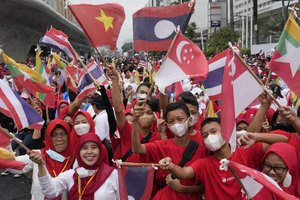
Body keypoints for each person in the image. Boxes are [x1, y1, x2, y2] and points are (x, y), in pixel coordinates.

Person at [158, 117, 288, 199]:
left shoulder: (246, 152)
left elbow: (284, 140)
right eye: (205, 135)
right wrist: (171, 166)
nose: (210, 137)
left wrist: (257, 137)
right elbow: (184, 173)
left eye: (214, 132)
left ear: (225, 130)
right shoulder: (204, 164)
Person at [132, 102, 209, 200]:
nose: (176, 124)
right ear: (167, 125)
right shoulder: (161, 145)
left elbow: (204, 187)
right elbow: (137, 148)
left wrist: (182, 188)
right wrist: (135, 122)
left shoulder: (202, 149)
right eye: (171, 122)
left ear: (189, 120)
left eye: (180, 119)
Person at [28, 133, 120, 200]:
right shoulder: (71, 175)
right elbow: (50, 191)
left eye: (94, 147)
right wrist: (40, 165)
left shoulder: (112, 174)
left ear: (100, 150)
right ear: (78, 152)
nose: (89, 151)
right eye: (84, 148)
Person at [7, 119, 75, 200]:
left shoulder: (77, 158)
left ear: (69, 136)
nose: (59, 138)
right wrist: (5, 141)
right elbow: (12, 165)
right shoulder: (38, 155)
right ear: (48, 137)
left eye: (63, 134)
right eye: (54, 135)